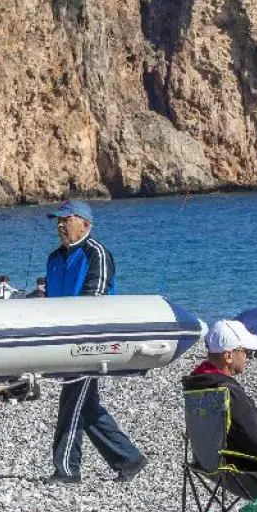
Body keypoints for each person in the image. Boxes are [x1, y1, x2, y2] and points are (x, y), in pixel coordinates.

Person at [43, 199, 145, 484]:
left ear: (85, 224)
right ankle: (129, 458)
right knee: (87, 407)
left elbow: (95, 297)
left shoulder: (96, 253)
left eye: (66, 220)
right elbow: (48, 300)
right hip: (63, 342)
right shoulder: (53, 258)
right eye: (58, 221)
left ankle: (67, 469)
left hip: (90, 342)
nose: (60, 225)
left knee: (71, 402)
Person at [189, 320, 257, 490]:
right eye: (245, 351)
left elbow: (241, 430)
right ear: (228, 356)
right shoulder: (229, 392)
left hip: (211, 468)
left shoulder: (200, 385)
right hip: (247, 476)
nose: (248, 357)